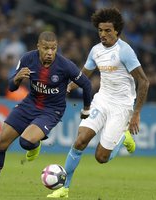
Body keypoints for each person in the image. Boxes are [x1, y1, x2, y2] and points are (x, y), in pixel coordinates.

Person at [0, 31, 92, 197]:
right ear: (38, 47)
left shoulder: (65, 65)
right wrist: (17, 79)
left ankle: (35, 144)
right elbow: (11, 87)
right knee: (0, 143)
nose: (50, 52)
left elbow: (86, 84)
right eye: (46, 48)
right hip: (29, 104)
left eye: (53, 48)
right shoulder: (27, 59)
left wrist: (86, 109)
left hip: (52, 110)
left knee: (26, 142)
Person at [47, 8, 150, 198]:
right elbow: (84, 73)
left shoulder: (124, 51)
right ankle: (64, 188)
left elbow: (144, 81)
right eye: (100, 30)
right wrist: (68, 87)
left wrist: (136, 113)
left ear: (117, 31)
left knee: (101, 158)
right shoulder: (96, 50)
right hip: (102, 100)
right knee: (80, 140)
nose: (103, 34)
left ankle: (124, 136)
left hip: (121, 106)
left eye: (108, 30)